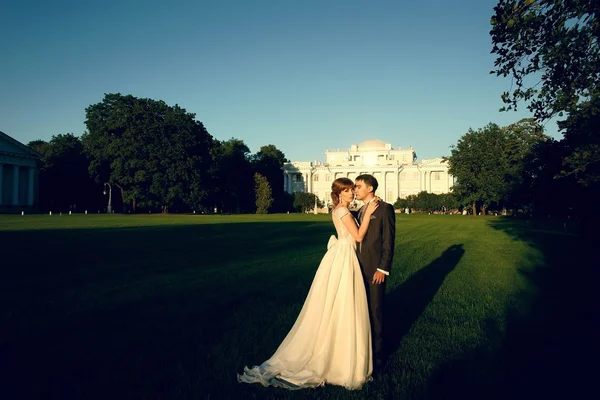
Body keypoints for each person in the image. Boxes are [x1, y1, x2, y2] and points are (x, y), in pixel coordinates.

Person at [237, 178, 379, 390]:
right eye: (348, 190)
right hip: (344, 259)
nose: (351, 193)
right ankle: (338, 360)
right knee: (344, 302)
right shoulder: (343, 211)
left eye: (352, 190)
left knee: (339, 304)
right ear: (340, 194)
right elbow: (358, 236)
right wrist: (367, 215)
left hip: (341, 256)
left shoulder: (340, 210)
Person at [353, 174, 396, 372]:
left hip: (375, 269)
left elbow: (388, 241)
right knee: (361, 312)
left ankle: (378, 358)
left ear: (370, 188)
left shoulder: (384, 208)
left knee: (376, 311)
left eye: (359, 186)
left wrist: (382, 268)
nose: (355, 190)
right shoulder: (361, 210)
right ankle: (363, 353)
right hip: (357, 268)